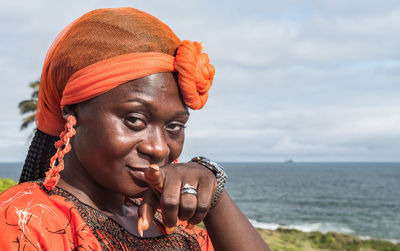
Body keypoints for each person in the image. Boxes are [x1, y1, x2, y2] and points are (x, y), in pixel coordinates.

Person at [0, 7, 269, 250]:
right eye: (135, 120)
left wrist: (215, 197)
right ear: (72, 112)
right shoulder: (23, 220)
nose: (159, 147)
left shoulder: (172, 224)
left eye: (174, 125)